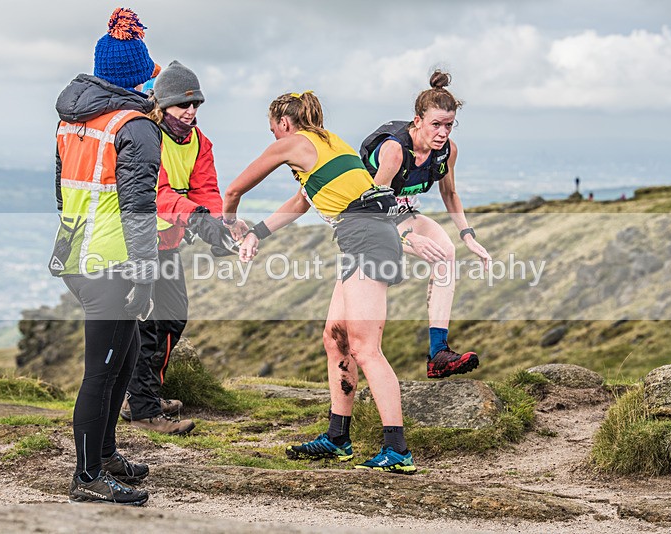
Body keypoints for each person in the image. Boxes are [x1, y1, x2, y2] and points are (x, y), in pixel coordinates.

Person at [223, 91, 416, 474]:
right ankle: (337, 437)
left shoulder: (294, 142)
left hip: (366, 237)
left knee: (365, 348)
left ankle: (397, 451)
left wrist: (231, 221)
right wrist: (258, 233)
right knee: (336, 338)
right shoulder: (328, 143)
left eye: (273, 130)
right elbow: (301, 202)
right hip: (363, 236)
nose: (275, 137)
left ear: (283, 123)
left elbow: (233, 190)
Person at [50, 7, 160, 505]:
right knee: (102, 370)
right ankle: (88, 475)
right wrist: (144, 273)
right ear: (137, 75)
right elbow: (139, 209)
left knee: (125, 355)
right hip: (111, 262)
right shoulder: (134, 126)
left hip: (76, 254)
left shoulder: (70, 121)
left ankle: (106, 454)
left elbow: (62, 193)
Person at [120, 60, 235, 434]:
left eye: (196, 103)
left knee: (173, 317)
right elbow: (158, 192)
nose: (191, 111)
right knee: (148, 325)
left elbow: (206, 188)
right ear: (163, 103)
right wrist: (196, 218)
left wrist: (215, 226)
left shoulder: (200, 142)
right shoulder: (147, 136)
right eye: (183, 104)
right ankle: (142, 407)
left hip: (167, 244)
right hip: (137, 244)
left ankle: (143, 394)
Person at [359, 70, 491, 379]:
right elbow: (374, 208)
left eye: (449, 125)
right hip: (364, 218)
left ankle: (438, 354)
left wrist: (468, 237)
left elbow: (450, 193)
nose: (443, 132)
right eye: (436, 124)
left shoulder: (447, 150)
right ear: (418, 120)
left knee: (446, 253)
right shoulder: (395, 151)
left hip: (401, 212)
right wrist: (407, 239)